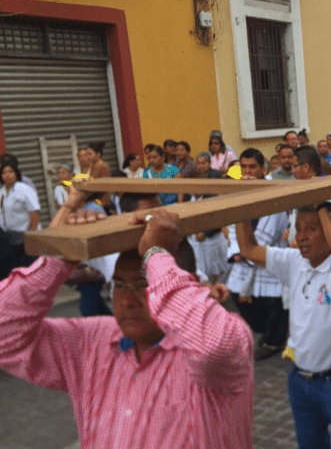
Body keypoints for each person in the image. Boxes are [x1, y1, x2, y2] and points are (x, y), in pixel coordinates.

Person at [0, 190, 254, 449]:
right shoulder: (93, 340)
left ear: (184, 282)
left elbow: (213, 347)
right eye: (120, 285)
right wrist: (62, 257)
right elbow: (4, 333)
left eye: (144, 284)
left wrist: (156, 254)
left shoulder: (227, 338)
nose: (127, 300)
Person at [236, 200, 331, 449]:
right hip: (300, 381)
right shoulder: (294, 261)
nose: (302, 236)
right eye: (298, 228)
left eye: (311, 229)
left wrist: (321, 204)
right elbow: (248, 248)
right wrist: (237, 207)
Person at [225, 148, 289, 361]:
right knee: (240, 298)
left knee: (273, 304)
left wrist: (246, 252)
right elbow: (233, 227)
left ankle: (274, 341)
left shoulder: (273, 193)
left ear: (263, 169)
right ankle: (266, 334)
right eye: (243, 166)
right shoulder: (239, 191)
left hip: (266, 257)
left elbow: (267, 233)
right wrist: (236, 250)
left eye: (252, 166)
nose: (248, 171)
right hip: (244, 258)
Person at [0, 161, 40, 278]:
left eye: (10, 172)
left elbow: (34, 211)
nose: (7, 175)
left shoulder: (24, 189)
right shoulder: (2, 191)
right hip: (9, 236)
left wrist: (32, 232)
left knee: (29, 266)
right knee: (14, 266)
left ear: (16, 173)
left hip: (25, 234)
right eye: (4, 173)